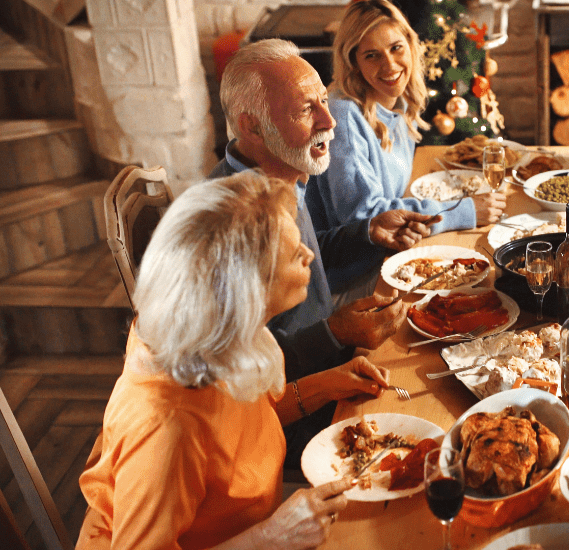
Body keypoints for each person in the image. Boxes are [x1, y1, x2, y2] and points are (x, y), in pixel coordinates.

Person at [78, 172, 389, 549]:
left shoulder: (213, 334)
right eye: (295, 255)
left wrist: (328, 383)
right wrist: (270, 538)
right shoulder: (167, 426)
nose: (310, 254)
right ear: (246, 292)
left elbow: (245, 426)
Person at [211, 38, 433, 464]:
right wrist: (335, 333)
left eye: (324, 102)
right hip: (287, 423)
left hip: (330, 364)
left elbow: (304, 263)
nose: (329, 121)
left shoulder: (284, 173)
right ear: (252, 126)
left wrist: (367, 232)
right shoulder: (229, 225)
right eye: (304, 110)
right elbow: (242, 378)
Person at [306, 0, 506, 290]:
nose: (389, 65)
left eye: (396, 48)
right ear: (353, 62)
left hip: (391, 256)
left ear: (411, 46)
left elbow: (388, 203)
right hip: (354, 280)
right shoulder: (343, 114)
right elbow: (368, 218)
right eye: (372, 55)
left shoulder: (397, 104)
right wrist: (461, 212)